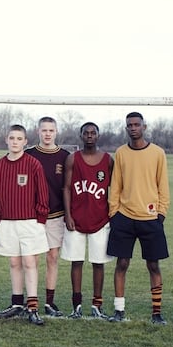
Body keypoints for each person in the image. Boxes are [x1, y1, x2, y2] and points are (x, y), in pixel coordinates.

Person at [106, 112, 170, 324]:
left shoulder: (158, 153)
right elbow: (116, 185)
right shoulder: (121, 153)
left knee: (153, 265)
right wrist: (114, 213)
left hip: (151, 218)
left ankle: (157, 313)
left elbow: (163, 186)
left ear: (144, 127)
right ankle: (119, 311)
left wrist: (160, 214)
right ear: (126, 128)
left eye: (136, 124)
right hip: (124, 217)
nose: (133, 128)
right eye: (129, 125)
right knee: (122, 263)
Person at [0, 125, 50, 326]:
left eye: (19, 138)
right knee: (14, 263)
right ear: (6, 140)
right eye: (12, 138)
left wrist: (40, 220)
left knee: (29, 262)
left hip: (30, 222)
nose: (15, 141)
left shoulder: (33, 164)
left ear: (26, 141)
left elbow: (42, 194)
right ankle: (17, 304)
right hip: (7, 222)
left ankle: (32, 307)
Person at [61, 122, 114, 319]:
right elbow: (66, 188)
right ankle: (77, 306)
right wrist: (67, 214)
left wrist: (112, 213)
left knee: (98, 262)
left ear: (98, 136)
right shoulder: (72, 159)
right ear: (81, 136)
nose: (90, 136)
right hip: (75, 218)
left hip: (100, 219)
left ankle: (97, 306)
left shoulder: (108, 160)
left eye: (93, 133)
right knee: (76, 261)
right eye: (86, 133)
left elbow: (115, 189)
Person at [24, 116, 70, 317]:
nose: (48, 134)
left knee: (52, 258)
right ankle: (29, 300)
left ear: (56, 132)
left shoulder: (65, 156)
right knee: (31, 259)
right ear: (38, 132)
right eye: (44, 130)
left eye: (51, 130)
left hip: (56, 215)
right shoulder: (29, 155)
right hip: (33, 216)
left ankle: (49, 303)